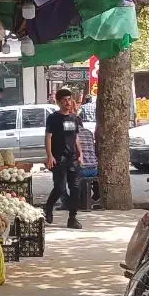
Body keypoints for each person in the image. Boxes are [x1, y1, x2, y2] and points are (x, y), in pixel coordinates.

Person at [44, 87, 85, 229]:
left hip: (72, 158)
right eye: (64, 100)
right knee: (60, 188)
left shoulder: (75, 118)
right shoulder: (53, 118)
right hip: (58, 158)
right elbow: (48, 137)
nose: (67, 103)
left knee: (75, 188)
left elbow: (76, 138)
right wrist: (50, 156)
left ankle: (72, 218)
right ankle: (48, 207)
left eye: (69, 99)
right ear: (58, 102)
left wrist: (80, 154)